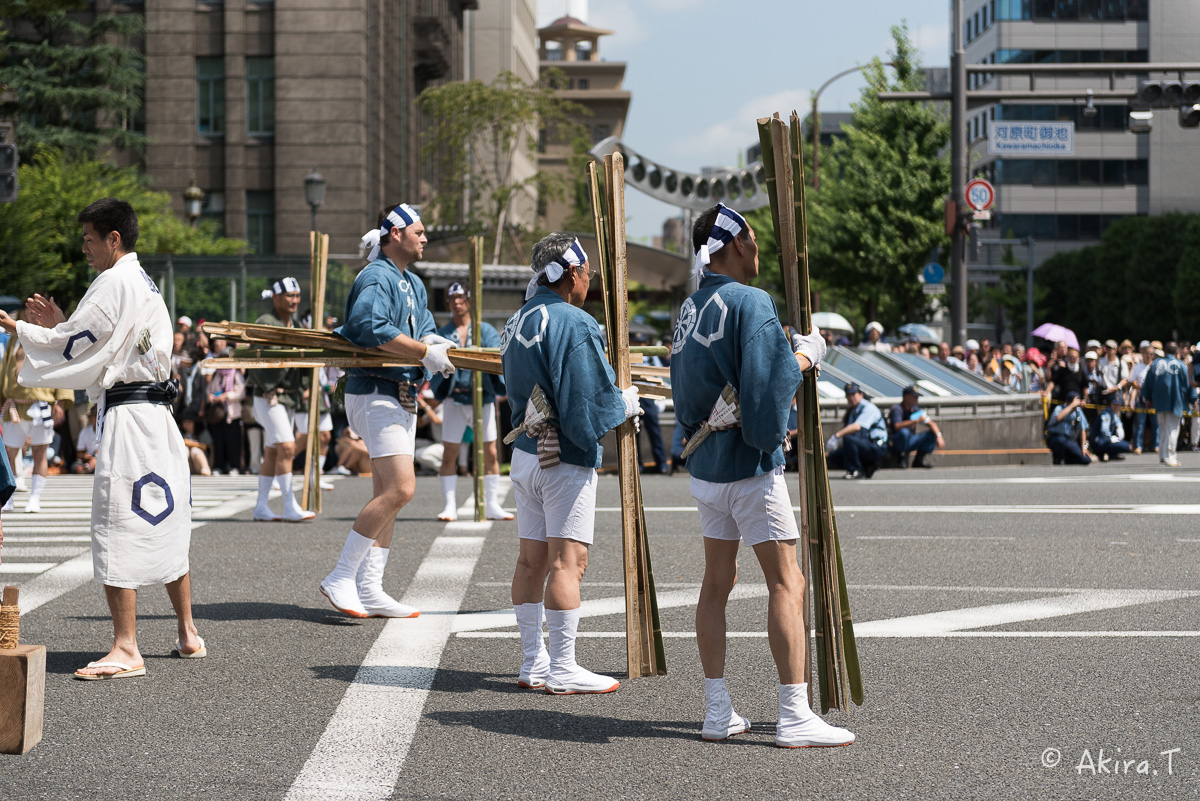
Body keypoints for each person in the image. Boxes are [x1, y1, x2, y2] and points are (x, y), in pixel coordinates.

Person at [0, 197, 205, 678]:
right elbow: (94, 340)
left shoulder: (113, 281)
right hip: (157, 417)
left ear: (114, 239)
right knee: (166, 519)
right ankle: (187, 631)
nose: (85, 249)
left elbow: (81, 345)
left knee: (118, 523)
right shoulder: (141, 281)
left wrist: (24, 330)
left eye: (90, 239)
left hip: (132, 419)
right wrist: (59, 326)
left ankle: (127, 647)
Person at [670, 204, 850, 747]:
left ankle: (716, 708)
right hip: (749, 466)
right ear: (734, 245)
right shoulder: (751, 301)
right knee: (786, 580)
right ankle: (794, 712)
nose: (757, 244)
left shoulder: (689, 307)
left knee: (716, 583)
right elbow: (768, 388)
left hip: (705, 464)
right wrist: (806, 357)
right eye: (751, 236)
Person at [503, 233, 642, 695]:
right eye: (585, 272)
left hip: (526, 451)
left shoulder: (515, 320)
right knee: (569, 562)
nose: (588, 280)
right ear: (568, 274)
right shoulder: (575, 322)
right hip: (563, 456)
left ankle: (532, 662)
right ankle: (562, 666)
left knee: (530, 560)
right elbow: (588, 407)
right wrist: (623, 404)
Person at [318, 203, 455, 619]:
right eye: (418, 231)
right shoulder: (377, 275)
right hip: (377, 391)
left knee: (388, 495)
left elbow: (424, 325)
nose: (425, 237)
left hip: (400, 392)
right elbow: (369, 328)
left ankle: (371, 587)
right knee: (402, 489)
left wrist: (435, 343)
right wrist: (423, 351)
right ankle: (341, 575)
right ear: (394, 234)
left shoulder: (410, 281)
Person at [430, 282, 512, 521]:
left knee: (490, 452)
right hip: (455, 398)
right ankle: (449, 505)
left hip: (482, 397)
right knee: (450, 452)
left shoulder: (484, 329)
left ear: (469, 300)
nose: (456, 302)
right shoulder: (444, 333)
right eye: (452, 299)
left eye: (461, 298)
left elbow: (493, 357)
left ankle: (493, 503)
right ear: (447, 303)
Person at [245, 277, 314, 522]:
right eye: (289, 296)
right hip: (269, 396)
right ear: (275, 298)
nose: (295, 300)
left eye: (297, 296)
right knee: (287, 446)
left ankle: (261, 507)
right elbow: (254, 359)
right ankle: (288, 506)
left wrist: (304, 384)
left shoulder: (294, 323)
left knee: (273, 450)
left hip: (288, 397)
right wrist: (268, 386)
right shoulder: (266, 322)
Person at [1, 331, 74, 512]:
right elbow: (3, 371)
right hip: (14, 405)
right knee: (8, 452)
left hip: (42, 404)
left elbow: (61, 368)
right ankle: (7, 497)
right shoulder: (14, 339)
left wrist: (61, 400)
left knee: (40, 452)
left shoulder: (50, 337)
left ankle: (35, 496)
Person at [1141, 341, 1194, 467]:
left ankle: (1163, 455)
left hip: (1159, 401)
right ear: (1177, 352)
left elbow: (1148, 382)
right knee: (1173, 429)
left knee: (1163, 427)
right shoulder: (1181, 365)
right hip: (1175, 400)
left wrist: (1147, 397)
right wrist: (1192, 398)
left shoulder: (1156, 364)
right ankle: (1170, 456)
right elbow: (1188, 383)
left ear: (1165, 350)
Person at [827, 383, 888, 480]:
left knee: (849, 439)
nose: (851, 398)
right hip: (864, 444)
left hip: (876, 446)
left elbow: (856, 427)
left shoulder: (869, 408)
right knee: (833, 456)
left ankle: (856, 469)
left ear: (861, 395)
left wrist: (836, 436)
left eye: (853, 394)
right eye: (848, 395)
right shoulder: (853, 411)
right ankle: (866, 467)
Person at [205, 351, 245, 474]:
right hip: (218, 413)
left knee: (233, 440)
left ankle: (234, 466)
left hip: (232, 413)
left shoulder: (236, 373)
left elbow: (241, 392)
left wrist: (227, 395)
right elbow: (209, 389)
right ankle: (219, 466)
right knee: (218, 440)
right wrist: (211, 396)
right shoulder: (216, 374)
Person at [888, 385, 944, 468]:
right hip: (896, 442)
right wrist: (914, 421)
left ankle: (919, 460)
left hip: (910, 440)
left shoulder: (915, 409)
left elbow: (931, 423)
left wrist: (939, 436)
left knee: (931, 434)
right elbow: (897, 426)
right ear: (906, 396)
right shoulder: (897, 408)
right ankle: (900, 457)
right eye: (914, 396)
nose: (916, 399)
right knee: (904, 432)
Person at [1046, 392, 1091, 465]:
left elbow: (1082, 430)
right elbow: (1058, 418)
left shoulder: (1078, 411)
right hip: (1056, 437)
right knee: (1060, 440)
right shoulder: (1059, 408)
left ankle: (1068, 458)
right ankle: (1059, 458)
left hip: (1069, 440)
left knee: (1086, 459)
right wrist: (1071, 406)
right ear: (1067, 402)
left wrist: (1084, 447)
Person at [1089, 395, 1131, 461]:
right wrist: (1111, 438)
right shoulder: (1106, 414)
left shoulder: (1113, 414)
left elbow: (1119, 424)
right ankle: (1101, 453)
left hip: (1105, 441)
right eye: (1114, 404)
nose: (1116, 407)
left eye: (1118, 404)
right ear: (1110, 404)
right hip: (1098, 442)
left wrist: (1120, 431)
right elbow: (1104, 430)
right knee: (1127, 446)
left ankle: (1111, 454)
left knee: (1125, 444)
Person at [71, 405, 100, 474]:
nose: (96, 419)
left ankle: (88, 468)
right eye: (94, 416)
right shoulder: (84, 432)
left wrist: (96, 456)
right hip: (88, 459)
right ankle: (87, 467)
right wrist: (84, 456)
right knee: (75, 466)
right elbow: (79, 453)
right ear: (90, 418)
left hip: (102, 459)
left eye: (98, 416)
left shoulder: (107, 430)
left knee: (96, 461)